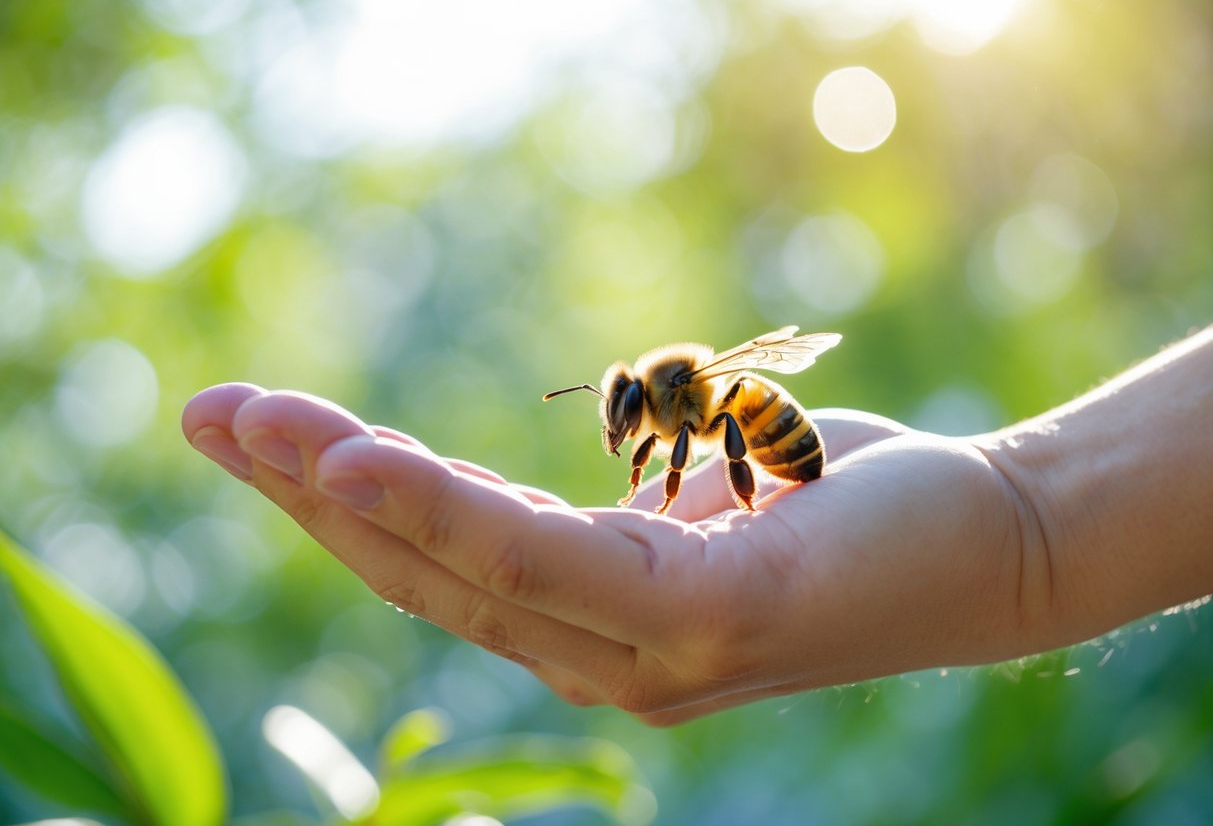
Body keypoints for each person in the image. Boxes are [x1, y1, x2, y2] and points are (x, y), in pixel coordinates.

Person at [182, 326, 1213, 726]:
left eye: (632, 419)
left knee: (729, 430)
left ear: (651, 402)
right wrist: (1024, 515)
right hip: (780, 445)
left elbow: (697, 436)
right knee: (723, 433)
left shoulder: (700, 404)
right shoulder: (673, 401)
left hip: (778, 441)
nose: (633, 429)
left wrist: (1030, 526)